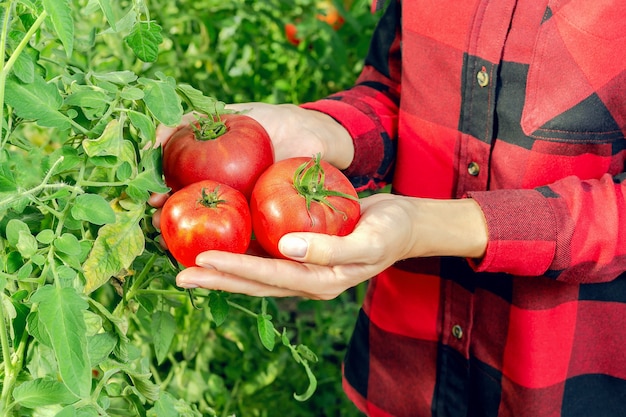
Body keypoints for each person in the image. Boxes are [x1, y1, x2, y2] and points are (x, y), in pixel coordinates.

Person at [150, 0, 626, 416]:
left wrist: (431, 227)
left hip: (562, 383)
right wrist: (320, 132)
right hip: (406, 371)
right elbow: (398, 93)